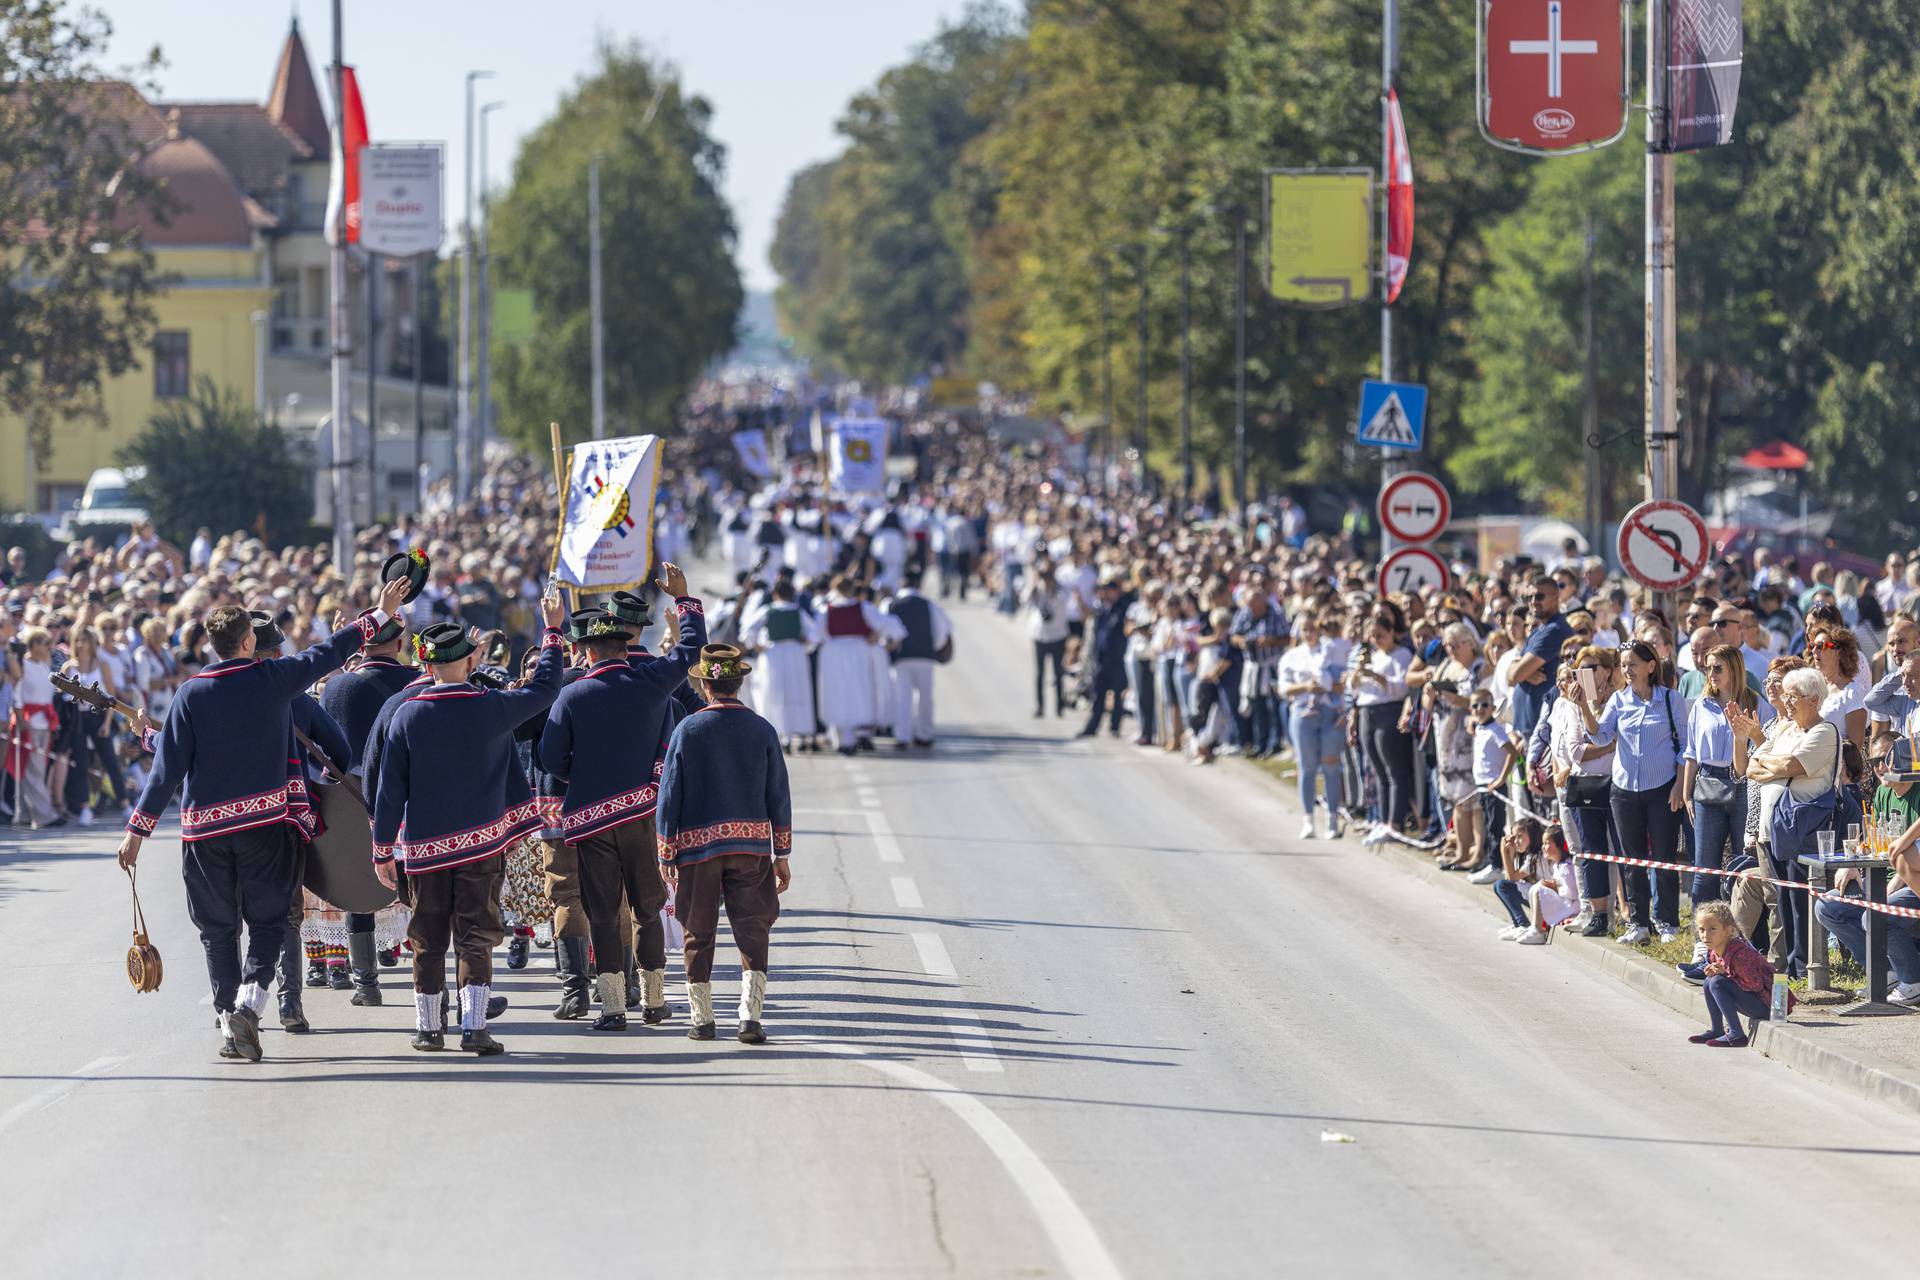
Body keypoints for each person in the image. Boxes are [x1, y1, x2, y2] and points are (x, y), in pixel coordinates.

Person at [117, 579, 408, 1062]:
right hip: (265, 828)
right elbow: (330, 651)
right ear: (249, 643)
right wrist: (378, 613)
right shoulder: (275, 681)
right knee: (270, 921)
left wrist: (136, 832)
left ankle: (230, 1021)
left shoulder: (190, 694)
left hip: (204, 834)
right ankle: (250, 1006)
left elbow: (167, 769)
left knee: (217, 929)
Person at [372, 599, 566, 1056]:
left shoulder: (407, 714)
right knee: (476, 936)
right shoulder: (491, 706)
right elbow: (545, 688)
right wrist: (552, 633)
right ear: (472, 659)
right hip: (481, 846)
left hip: (424, 850)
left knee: (427, 937)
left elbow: (389, 792)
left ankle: (428, 1030)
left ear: (424, 662)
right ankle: (474, 1028)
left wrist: (382, 850)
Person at [539, 566, 704, 1032]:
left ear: (588, 651)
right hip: (640, 816)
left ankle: (612, 1008)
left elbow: (552, 759)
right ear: (625, 645)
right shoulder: (652, 680)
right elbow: (692, 651)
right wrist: (686, 600)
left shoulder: (572, 695)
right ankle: (653, 1002)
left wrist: (586, 777)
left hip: (590, 821)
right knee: (647, 907)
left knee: (604, 913)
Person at [656, 644, 793, 1044]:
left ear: (704, 686)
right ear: (739, 683)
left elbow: (670, 794)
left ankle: (702, 1018)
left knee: (697, 930)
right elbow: (778, 794)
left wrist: (666, 850)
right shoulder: (761, 729)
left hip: (698, 850)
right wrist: (781, 853)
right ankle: (750, 1017)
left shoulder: (688, 729)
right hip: (750, 847)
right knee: (753, 929)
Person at [315, 607, 416, 1006]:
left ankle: (365, 983)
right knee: (418, 891)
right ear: (399, 643)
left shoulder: (335, 688)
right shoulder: (416, 683)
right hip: (406, 797)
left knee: (356, 888)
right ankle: (429, 984)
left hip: (350, 794)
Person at [1573, 639, 1686, 945]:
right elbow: (1601, 736)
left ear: (1651, 667)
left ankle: (1667, 922)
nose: (1627, 670)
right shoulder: (1619, 700)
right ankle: (1638, 922)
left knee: (1663, 857)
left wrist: (1679, 784)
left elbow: (1686, 746)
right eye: (1623, 665)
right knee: (1631, 858)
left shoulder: (1670, 699)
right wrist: (1584, 706)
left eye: (1633, 664)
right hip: (1624, 789)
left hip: (1662, 787)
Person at [1739, 666, 1841, 981]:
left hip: (1802, 829)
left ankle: (1803, 968)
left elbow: (1793, 764)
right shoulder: (1786, 729)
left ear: (1813, 699)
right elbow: (1752, 767)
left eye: (1793, 696)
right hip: (1772, 828)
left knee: (1800, 902)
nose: (1787, 701)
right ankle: (1790, 969)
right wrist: (1777, 766)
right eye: (1786, 695)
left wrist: (1777, 766)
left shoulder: (1824, 732)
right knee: (1781, 901)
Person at [1683, 643, 1765, 907]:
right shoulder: (1702, 704)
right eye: (1708, 668)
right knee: (1705, 866)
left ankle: (1743, 935)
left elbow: (1767, 742)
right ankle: (1702, 937)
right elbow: (1692, 753)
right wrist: (1686, 794)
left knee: (1744, 862)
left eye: (1718, 668)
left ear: (1734, 669)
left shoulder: (1754, 702)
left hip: (1745, 783)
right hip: (1708, 780)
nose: (1711, 674)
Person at [1348, 605, 1414, 844]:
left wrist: (1377, 677)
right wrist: (1359, 671)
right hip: (1368, 711)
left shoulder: (1401, 655)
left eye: (1380, 636)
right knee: (1377, 771)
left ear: (1391, 632)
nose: (1376, 641)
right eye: (1372, 637)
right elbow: (1354, 689)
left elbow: (1402, 685)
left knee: (1394, 770)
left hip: (1389, 710)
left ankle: (1395, 823)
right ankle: (1383, 819)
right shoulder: (1371, 656)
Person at [1278, 613, 1343, 839]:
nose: (1309, 634)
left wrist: (1326, 684)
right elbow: (1284, 688)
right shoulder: (1292, 656)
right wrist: (1306, 685)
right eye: (1304, 629)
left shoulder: (1332, 651)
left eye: (1312, 629)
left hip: (1329, 710)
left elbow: (1344, 682)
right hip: (1303, 711)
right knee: (1306, 766)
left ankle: (1332, 817)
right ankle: (1308, 818)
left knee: (1331, 764)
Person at [742, 579, 824, 752]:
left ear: (775, 594)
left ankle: (781, 736)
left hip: (774, 654)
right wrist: (806, 645)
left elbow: (747, 629)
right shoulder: (798, 611)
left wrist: (755, 645)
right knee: (797, 690)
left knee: (775, 692)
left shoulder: (767, 610)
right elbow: (816, 633)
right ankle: (798, 734)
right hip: (795, 653)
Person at [1688, 901, 1774, 1048]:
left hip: (1767, 1006)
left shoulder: (1740, 953)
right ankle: (1717, 1029)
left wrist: (1726, 974)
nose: (1705, 935)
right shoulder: (1715, 950)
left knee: (1717, 982)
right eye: (1702, 930)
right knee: (1710, 981)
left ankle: (1736, 1034)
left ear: (1729, 930)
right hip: (1753, 1001)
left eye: (1712, 929)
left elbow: (1755, 985)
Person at [883, 575, 952, 749]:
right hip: (925, 657)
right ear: (919, 585)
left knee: (902, 697)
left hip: (901, 658)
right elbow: (942, 630)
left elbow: (884, 630)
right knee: (925, 698)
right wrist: (932, 647)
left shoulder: (890, 604)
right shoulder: (929, 605)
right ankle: (925, 734)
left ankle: (902, 736)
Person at [1079, 577, 1133, 739]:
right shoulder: (1101, 610)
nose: (1104, 594)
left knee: (1118, 696)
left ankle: (1114, 727)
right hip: (1101, 658)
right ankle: (1092, 726)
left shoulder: (1122, 609)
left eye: (1108, 590)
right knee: (1098, 695)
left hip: (1117, 659)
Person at [1023, 562, 1073, 719]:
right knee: (1040, 673)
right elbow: (1025, 601)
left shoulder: (1060, 589)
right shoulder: (1037, 588)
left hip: (1057, 635)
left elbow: (1064, 601)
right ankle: (1039, 706)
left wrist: (1052, 588)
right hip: (1040, 635)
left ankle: (1059, 706)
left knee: (1058, 673)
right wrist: (1034, 581)